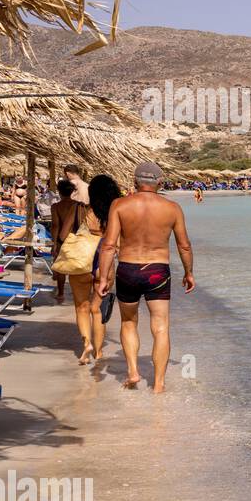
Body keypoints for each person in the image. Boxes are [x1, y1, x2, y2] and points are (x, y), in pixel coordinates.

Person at [96, 162, 195, 393]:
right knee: (160, 327)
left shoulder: (119, 205)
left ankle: (133, 372)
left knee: (128, 322)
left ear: (135, 181)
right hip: (157, 272)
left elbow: (109, 245)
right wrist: (189, 272)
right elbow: (185, 245)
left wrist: (103, 278)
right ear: (160, 183)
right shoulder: (172, 208)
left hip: (128, 270)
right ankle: (159, 384)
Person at [83, 174, 123, 365]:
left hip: (84, 261)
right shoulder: (117, 212)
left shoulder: (87, 212)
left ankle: (86, 344)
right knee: (97, 309)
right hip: (105, 263)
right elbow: (119, 244)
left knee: (82, 307)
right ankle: (98, 352)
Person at [50, 178, 81, 305]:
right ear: (72, 192)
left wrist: (54, 244)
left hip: (61, 239)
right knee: (76, 267)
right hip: (76, 238)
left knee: (61, 268)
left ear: (59, 191)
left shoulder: (56, 207)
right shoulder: (78, 205)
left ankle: (61, 293)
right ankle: (77, 293)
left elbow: (55, 225)